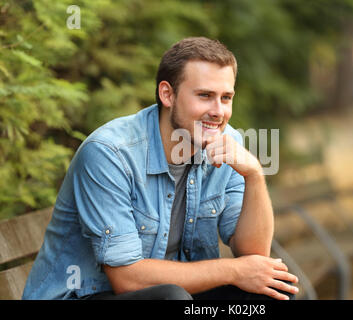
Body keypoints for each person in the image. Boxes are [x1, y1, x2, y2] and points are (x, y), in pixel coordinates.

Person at [22, 37, 299, 300]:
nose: (218, 111)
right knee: (171, 297)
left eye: (226, 98)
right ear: (167, 94)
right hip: (84, 294)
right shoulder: (110, 154)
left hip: (173, 294)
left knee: (272, 289)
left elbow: (254, 255)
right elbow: (127, 279)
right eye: (205, 95)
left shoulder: (228, 146)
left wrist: (254, 175)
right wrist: (234, 271)